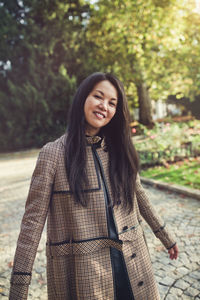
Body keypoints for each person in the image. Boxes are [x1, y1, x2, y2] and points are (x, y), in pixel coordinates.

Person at [9, 72, 178, 300]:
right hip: (84, 273)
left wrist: (166, 237)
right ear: (83, 98)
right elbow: (32, 224)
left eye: (112, 103)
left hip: (133, 262)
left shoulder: (121, 149)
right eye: (98, 96)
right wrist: (18, 289)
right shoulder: (53, 155)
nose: (104, 106)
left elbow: (139, 195)